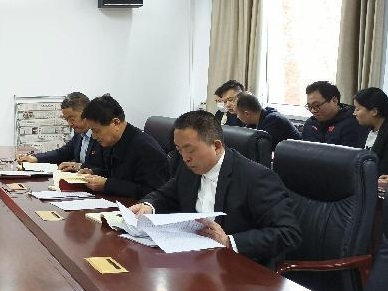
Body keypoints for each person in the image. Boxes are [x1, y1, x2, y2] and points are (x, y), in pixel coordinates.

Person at [129, 110, 301, 267]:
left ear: (217, 146)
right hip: (193, 259)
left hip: (237, 267)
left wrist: (229, 241)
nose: (185, 158)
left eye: (190, 150)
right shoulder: (189, 168)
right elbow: (167, 194)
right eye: (179, 150)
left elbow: (289, 233)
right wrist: (148, 205)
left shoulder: (256, 178)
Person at [77, 95, 170, 200]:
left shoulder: (146, 148)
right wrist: (93, 173)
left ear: (115, 123)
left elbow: (153, 192)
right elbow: (117, 175)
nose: (94, 136)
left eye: (96, 131)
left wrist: (107, 185)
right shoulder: (113, 141)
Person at [17, 92, 108, 175]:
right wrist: (35, 158)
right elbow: (63, 153)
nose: (69, 124)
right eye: (67, 120)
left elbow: (108, 170)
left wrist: (80, 166)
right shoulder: (79, 134)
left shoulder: (102, 136)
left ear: (86, 114)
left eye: (72, 119)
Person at [352, 87, 388, 189]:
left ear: (374, 111)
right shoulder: (364, 129)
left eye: (358, 109)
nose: (354, 113)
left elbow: (385, 173)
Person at [301, 81, 369, 148]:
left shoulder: (353, 123)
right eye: (309, 106)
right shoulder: (310, 123)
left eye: (316, 105)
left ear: (334, 101)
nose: (313, 111)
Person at [234, 92, 301, 150]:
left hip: (295, 158)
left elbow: (261, 149)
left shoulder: (273, 120)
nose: (237, 117)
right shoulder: (256, 121)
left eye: (237, 114)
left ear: (247, 114)